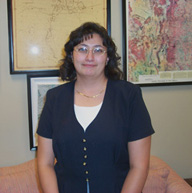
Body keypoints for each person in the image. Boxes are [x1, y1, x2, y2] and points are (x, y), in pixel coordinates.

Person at [36, 22, 155, 193]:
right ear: (71, 55)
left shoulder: (129, 96)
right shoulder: (54, 98)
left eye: (98, 50)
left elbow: (139, 166)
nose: (90, 57)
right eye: (82, 49)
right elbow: (44, 163)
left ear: (107, 57)